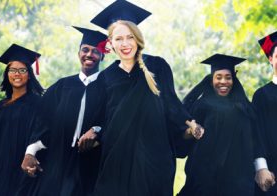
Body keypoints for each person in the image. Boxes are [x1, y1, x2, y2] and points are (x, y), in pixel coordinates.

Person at [90, 1, 204, 195]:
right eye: (118, 39)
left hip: (154, 156)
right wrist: (93, 131)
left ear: (138, 38)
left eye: (130, 37)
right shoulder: (105, 77)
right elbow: (101, 118)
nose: (125, 44)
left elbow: (171, 104)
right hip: (117, 158)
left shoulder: (157, 66)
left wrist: (190, 124)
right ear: (110, 42)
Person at [19, 27, 108, 196]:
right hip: (58, 161)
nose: (89, 55)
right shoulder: (62, 86)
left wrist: (98, 130)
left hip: (91, 164)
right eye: (85, 50)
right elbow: (43, 120)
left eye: (96, 51)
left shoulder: (108, 87)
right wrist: (31, 151)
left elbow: (114, 120)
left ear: (103, 56)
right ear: (78, 53)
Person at [178, 54, 263, 196]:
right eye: (218, 77)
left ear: (233, 79)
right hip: (203, 183)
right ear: (211, 80)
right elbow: (182, 139)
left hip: (236, 184)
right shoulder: (202, 105)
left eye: (228, 77)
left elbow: (255, 142)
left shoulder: (244, 108)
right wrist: (191, 130)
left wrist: (261, 168)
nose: (223, 81)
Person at [0, 44, 44, 196]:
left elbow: (43, 135)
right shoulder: (0, 107)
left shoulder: (38, 104)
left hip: (24, 175)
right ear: (7, 74)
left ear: (29, 74)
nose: (17, 74)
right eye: (12, 70)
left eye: (22, 70)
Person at [253, 31, 277, 195]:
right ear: (270, 59)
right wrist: (261, 168)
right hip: (272, 173)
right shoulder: (262, 95)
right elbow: (256, 134)